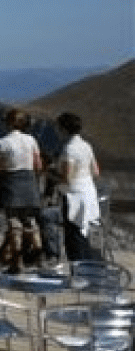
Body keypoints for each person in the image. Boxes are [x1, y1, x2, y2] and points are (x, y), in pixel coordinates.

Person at [0, 109, 44, 273]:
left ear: (8, 123)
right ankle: (39, 254)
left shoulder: (2, 143)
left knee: (14, 224)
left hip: (11, 184)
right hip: (29, 184)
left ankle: (17, 262)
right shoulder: (31, 140)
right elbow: (38, 165)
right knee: (30, 221)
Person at [55, 111, 101, 261]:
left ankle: (79, 269)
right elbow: (95, 171)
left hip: (74, 195)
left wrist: (51, 176)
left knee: (74, 234)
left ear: (64, 129)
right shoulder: (86, 146)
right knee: (90, 231)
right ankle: (94, 265)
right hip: (89, 192)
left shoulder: (69, 149)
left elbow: (67, 177)